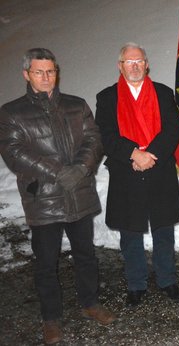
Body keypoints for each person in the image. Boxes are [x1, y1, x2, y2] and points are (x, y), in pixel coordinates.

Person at [0, 48, 115, 344]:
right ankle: (51, 318)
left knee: (86, 254)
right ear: (26, 75)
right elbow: (14, 152)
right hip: (44, 200)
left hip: (78, 191)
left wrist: (80, 169)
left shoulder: (76, 105)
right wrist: (57, 171)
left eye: (50, 71)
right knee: (46, 262)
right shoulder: (12, 112)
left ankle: (90, 303)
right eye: (39, 72)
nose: (46, 77)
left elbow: (94, 138)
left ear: (57, 72)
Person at [95, 43, 179, 306]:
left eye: (139, 61)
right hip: (127, 171)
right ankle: (136, 284)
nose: (134, 66)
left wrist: (150, 155)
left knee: (163, 230)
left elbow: (173, 130)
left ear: (147, 64)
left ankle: (167, 280)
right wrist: (134, 154)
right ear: (120, 66)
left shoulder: (164, 93)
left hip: (159, 169)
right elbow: (105, 135)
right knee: (130, 232)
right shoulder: (107, 97)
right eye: (128, 62)